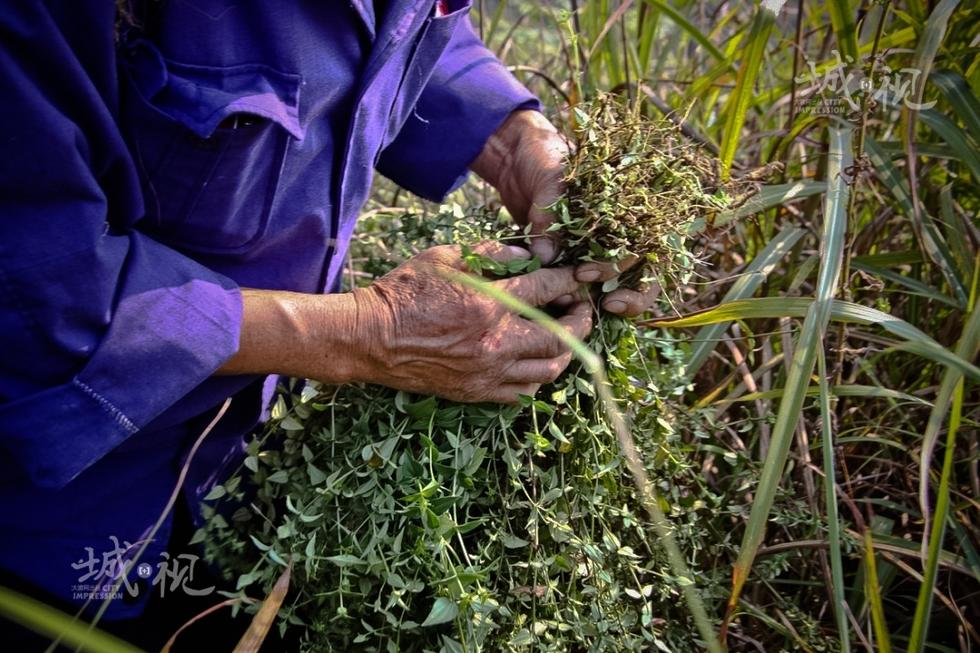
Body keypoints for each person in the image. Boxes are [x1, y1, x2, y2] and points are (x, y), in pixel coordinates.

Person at [0, 1, 655, 648]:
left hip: (252, 489)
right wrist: (366, 333)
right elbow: (38, 287)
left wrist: (517, 142)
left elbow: (400, 34)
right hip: (58, 521)